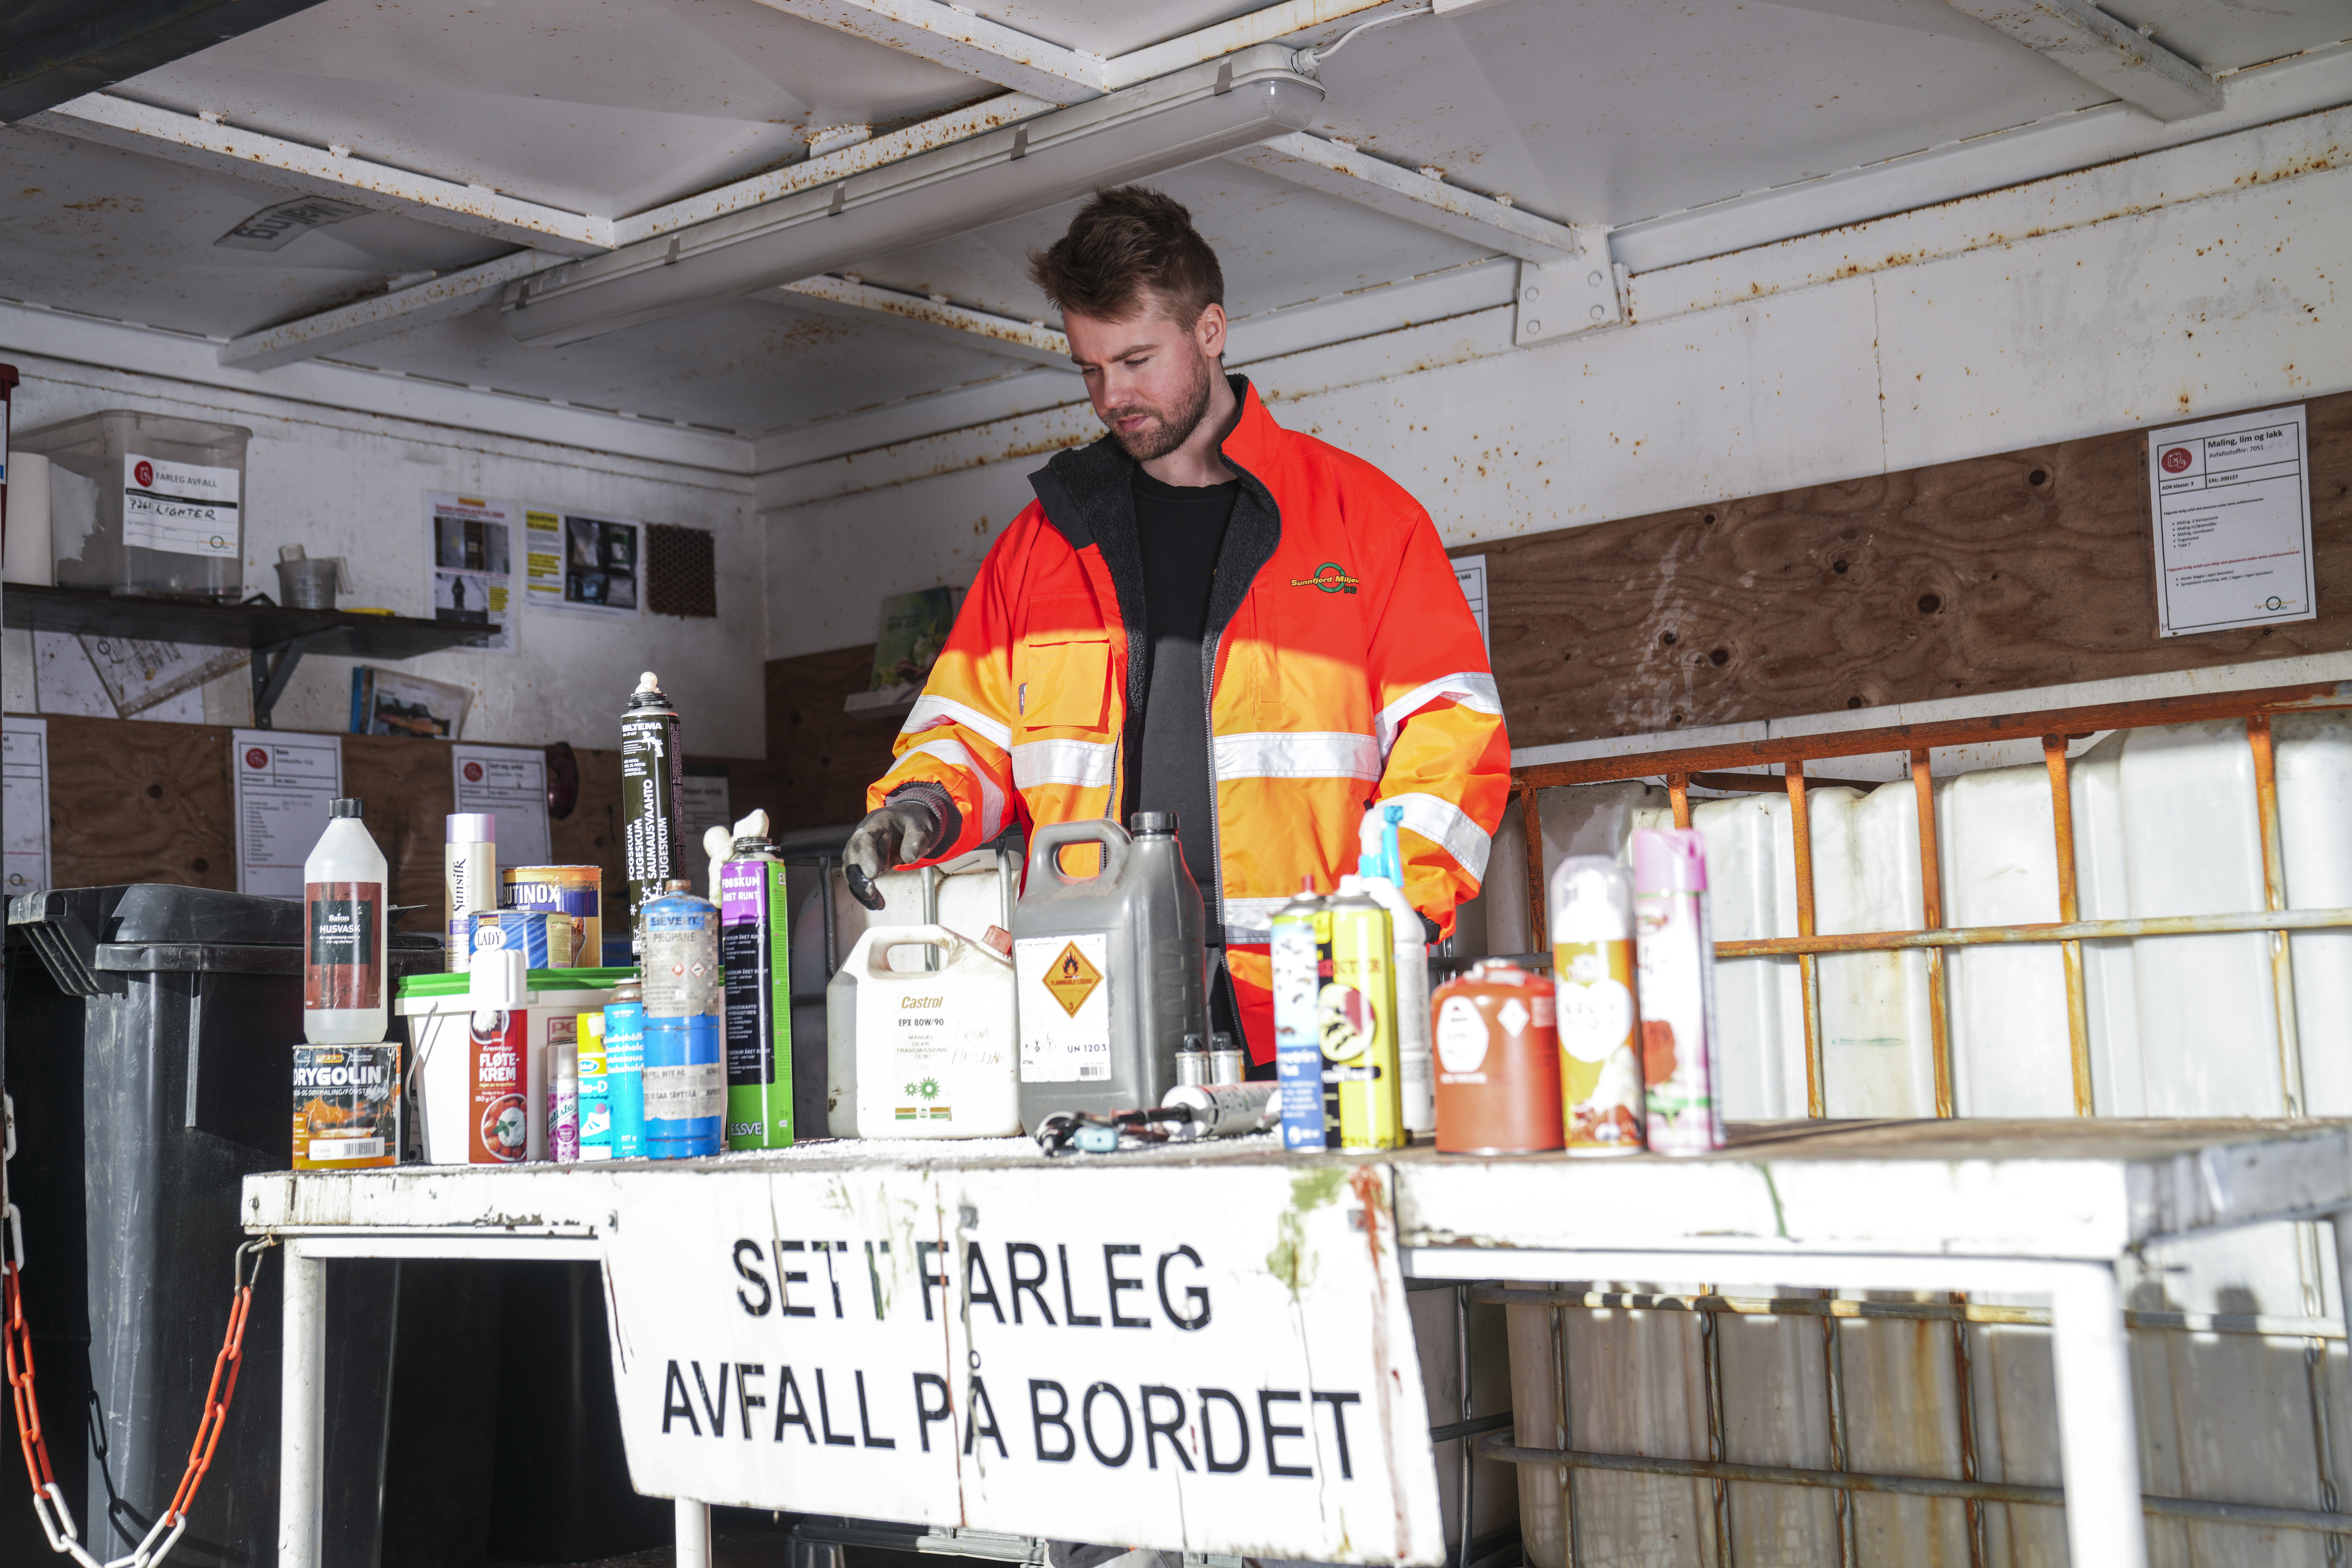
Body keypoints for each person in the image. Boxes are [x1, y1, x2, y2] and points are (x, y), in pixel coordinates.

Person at [843, 185, 1507, 1066]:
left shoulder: (1366, 523)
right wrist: (919, 809)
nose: (1111, 396)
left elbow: (1453, 733)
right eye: (1089, 368)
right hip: (1091, 1004)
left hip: (1316, 1002)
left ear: (1210, 332)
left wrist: (1387, 918)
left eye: (1136, 360)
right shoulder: (1041, 544)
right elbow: (966, 732)